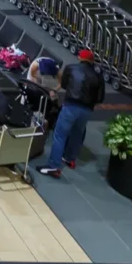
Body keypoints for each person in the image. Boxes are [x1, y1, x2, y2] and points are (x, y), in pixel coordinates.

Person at [38, 50, 105, 178]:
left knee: (60, 135)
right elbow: (100, 98)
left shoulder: (71, 68)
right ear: (92, 61)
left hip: (70, 106)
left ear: (80, 58)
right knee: (77, 134)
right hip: (86, 110)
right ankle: (69, 159)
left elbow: (64, 85)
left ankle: (53, 166)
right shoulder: (98, 76)